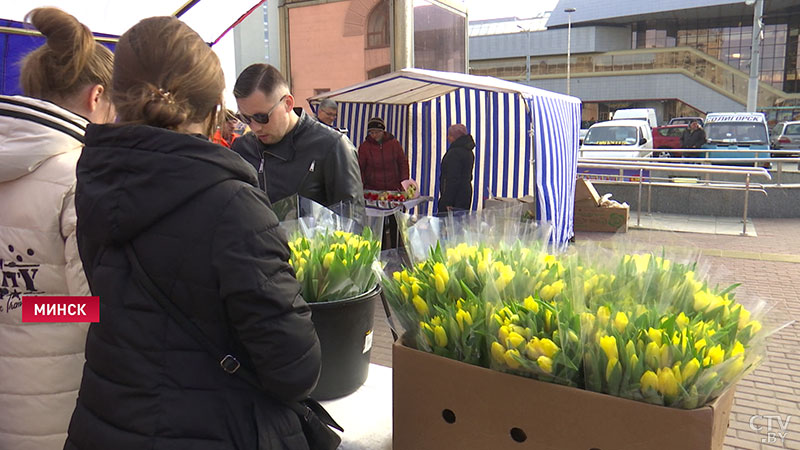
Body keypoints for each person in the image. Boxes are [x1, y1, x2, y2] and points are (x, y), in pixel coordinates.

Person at [63, 16, 321, 450]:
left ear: (114, 99)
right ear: (214, 112)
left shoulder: (90, 184)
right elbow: (294, 371)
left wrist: (25, 310)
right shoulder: (233, 207)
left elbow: (91, 308)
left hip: (106, 419)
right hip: (215, 426)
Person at [0, 8, 114, 450]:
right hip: (57, 405)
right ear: (96, 96)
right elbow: (90, 307)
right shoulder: (77, 176)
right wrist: (29, 309)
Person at [231, 64, 363, 207]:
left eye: (262, 117)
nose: (255, 127)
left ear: (288, 103)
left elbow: (352, 220)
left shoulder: (333, 146)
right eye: (246, 118)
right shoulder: (241, 148)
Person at [357, 117, 410, 192]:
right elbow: (360, 168)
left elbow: (403, 164)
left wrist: (404, 183)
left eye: (377, 132)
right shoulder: (364, 147)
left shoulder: (394, 144)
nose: (374, 135)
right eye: (372, 132)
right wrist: (361, 186)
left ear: (383, 131)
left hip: (394, 189)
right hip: (372, 190)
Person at [437, 124, 476, 214]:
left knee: (448, 225)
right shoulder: (468, 151)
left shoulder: (454, 154)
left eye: (450, 135)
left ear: (455, 137)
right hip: (465, 193)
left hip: (455, 198)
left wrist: (447, 201)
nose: (448, 137)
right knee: (461, 223)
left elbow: (453, 179)